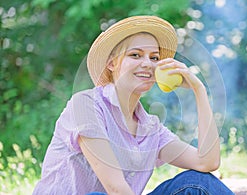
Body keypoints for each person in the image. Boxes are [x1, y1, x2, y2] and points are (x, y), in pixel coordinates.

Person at [33, 15, 234, 195]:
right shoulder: (85, 106)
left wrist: (199, 90)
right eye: (135, 55)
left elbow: (207, 162)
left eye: (154, 58)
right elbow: (116, 189)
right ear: (112, 63)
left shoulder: (150, 128)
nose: (147, 63)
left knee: (198, 181)